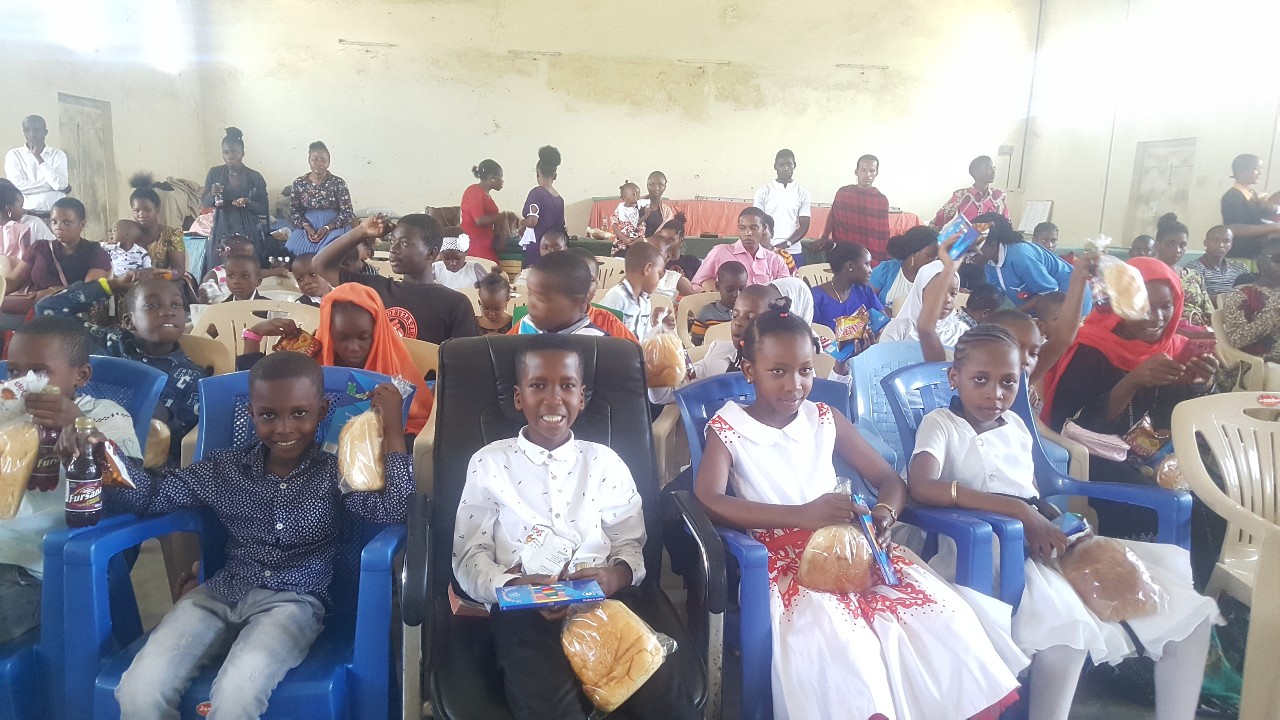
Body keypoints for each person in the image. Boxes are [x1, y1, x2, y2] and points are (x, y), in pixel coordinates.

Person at [693, 300, 1025, 719]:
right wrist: (800, 516)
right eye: (778, 371)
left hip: (856, 547)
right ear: (749, 370)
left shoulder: (823, 417)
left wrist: (884, 514)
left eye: (805, 370)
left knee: (942, 619)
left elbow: (890, 480)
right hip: (783, 564)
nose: (795, 385)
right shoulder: (729, 428)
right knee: (847, 645)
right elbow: (710, 499)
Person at [910, 324, 1217, 720]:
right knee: (1066, 636)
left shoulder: (1015, 426)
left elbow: (1030, 494)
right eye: (980, 380)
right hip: (987, 556)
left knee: (1190, 615)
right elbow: (922, 486)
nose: (995, 393)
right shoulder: (941, 424)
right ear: (955, 377)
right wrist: (1019, 512)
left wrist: (1062, 521)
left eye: (1008, 382)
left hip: (1041, 546)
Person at [95, 351, 413, 719]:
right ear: (252, 413)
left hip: (293, 603)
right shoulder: (225, 469)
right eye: (268, 415)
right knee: (140, 690)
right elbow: (151, 496)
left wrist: (393, 429)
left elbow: (394, 510)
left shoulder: (336, 472)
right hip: (218, 595)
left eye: (299, 413)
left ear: (322, 410)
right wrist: (101, 452)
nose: (284, 428)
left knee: (237, 696)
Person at [453, 335, 697, 719]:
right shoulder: (490, 464)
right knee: (547, 703)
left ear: (582, 398)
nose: (553, 399)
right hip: (523, 611)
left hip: (604, 601)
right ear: (518, 397)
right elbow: (469, 555)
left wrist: (615, 576)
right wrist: (511, 585)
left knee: (662, 697)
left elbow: (629, 544)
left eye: (567, 386)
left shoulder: (604, 462)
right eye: (538, 386)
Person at [1042, 257, 1220, 538]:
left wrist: (1203, 383)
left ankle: (1206, 569)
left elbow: (1197, 421)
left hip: (1163, 456)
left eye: (1166, 306)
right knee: (1165, 508)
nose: (1157, 317)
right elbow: (1071, 427)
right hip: (1101, 460)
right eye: (1144, 306)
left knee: (1220, 497)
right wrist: (1132, 381)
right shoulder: (1091, 349)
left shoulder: (1178, 348)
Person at [0, 316, 141, 643]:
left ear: (81, 375)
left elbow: (132, 481)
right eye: (14, 372)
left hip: (48, 568)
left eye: (39, 373)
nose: (23, 383)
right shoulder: (8, 417)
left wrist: (81, 427)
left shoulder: (104, 413)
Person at [36, 272, 208, 463]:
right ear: (128, 321)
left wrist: (165, 418)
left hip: (133, 466)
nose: (168, 311)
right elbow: (47, 309)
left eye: (176, 305)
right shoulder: (107, 342)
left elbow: (186, 448)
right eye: (152, 305)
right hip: (69, 445)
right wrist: (112, 285)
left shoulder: (191, 377)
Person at [239, 284, 433, 436]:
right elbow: (254, 394)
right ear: (329, 333)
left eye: (363, 337)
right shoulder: (310, 363)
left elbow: (419, 424)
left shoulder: (397, 369)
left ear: (378, 332)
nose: (353, 347)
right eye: (342, 338)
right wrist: (254, 336)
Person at [314, 214, 478, 343]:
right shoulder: (374, 289)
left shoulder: (455, 304)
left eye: (405, 243)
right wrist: (362, 231)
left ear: (431, 253)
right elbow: (321, 265)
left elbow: (462, 362)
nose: (393, 249)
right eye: (393, 241)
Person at [511, 251, 634, 339]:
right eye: (530, 293)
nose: (531, 303)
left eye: (541, 298)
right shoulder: (525, 326)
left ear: (575, 301)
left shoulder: (596, 341)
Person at [974, 213, 1081, 315]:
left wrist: (1013, 313)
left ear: (992, 247)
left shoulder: (1020, 257)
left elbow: (1049, 291)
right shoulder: (990, 263)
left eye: (973, 249)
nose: (968, 254)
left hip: (1069, 299)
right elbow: (997, 292)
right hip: (1044, 306)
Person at [7, 197, 111, 298]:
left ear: (82, 224)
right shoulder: (39, 247)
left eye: (67, 222)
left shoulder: (95, 252)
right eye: (54, 222)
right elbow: (13, 281)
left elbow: (88, 291)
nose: (59, 227)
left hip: (71, 308)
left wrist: (56, 292)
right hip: (32, 304)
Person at [201, 127, 269, 274]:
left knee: (248, 269)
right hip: (222, 227)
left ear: (242, 153)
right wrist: (212, 194)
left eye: (234, 152)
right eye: (226, 152)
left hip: (248, 230)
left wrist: (248, 203)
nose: (230, 156)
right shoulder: (214, 173)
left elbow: (264, 208)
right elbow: (205, 202)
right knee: (219, 269)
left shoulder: (254, 177)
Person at [879, 252, 966, 349]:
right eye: (939, 292)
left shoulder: (962, 333)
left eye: (953, 294)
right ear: (920, 293)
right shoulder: (898, 329)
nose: (948, 300)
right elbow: (882, 357)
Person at [691, 208, 791, 290]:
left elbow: (787, 291)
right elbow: (696, 284)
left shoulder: (775, 260)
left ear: (764, 228)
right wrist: (711, 298)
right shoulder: (720, 252)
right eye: (742, 228)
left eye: (753, 228)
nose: (748, 233)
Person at [811, 242, 885, 350]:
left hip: (865, 354)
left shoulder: (864, 291)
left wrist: (873, 338)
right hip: (829, 358)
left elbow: (882, 321)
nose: (871, 270)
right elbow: (813, 338)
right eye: (867, 264)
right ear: (850, 266)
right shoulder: (816, 298)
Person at [285, 141, 355, 256]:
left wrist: (328, 227)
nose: (319, 163)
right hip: (308, 227)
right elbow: (294, 212)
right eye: (315, 159)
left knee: (334, 251)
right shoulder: (299, 183)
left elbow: (347, 213)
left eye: (323, 160)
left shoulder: (338, 183)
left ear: (329, 162)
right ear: (309, 160)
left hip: (335, 227)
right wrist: (307, 227)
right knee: (291, 248)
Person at [818, 154, 890, 261]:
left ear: (876, 173)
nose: (868, 174)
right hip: (845, 251)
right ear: (856, 172)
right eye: (863, 170)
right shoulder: (844, 193)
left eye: (872, 171)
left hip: (870, 255)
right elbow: (833, 216)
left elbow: (883, 233)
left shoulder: (881, 200)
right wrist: (824, 237)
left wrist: (887, 256)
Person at [1219, 238, 1280, 362]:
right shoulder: (1241, 293)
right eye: (1277, 258)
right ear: (1260, 261)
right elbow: (1237, 339)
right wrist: (1274, 314)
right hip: (1263, 363)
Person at [1152, 213, 1213, 330]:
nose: (1177, 250)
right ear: (1157, 246)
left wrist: (1211, 331)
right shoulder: (1150, 276)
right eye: (1171, 244)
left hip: (1202, 333)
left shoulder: (1194, 276)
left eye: (1182, 245)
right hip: (1169, 333)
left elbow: (1210, 313)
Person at [599, 241, 669, 340]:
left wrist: (658, 324)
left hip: (637, 349)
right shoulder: (617, 297)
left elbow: (646, 338)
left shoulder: (645, 302)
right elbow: (599, 332)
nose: (659, 280)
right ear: (647, 268)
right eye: (659, 274)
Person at [4, 115, 68, 217]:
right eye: (27, 130)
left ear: (45, 132)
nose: (32, 134)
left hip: (56, 216)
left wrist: (38, 157)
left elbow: (60, 184)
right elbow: (17, 186)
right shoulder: (14, 155)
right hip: (28, 215)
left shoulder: (57, 154)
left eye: (36, 130)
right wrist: (51, 186)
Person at [754, 149, 811, 264]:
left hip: (793, 250)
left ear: (795, 165)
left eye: (789, 164)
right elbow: (757, 222)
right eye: (781, 165)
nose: (786, 168)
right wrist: (767, 246)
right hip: (768, 249)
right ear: (775, 166)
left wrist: (786, 244)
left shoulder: (802, 193)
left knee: (795, 277)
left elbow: (804, 226)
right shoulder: (763, 191)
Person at [868, 226, 942, 315]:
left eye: (937, 257)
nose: (934, 262)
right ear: (912, 253)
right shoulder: (886, 270)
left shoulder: (935, 280)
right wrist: (880, 309)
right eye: (929, 256)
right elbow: (864, 297)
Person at [1220, 153, 1280, 258]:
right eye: (1256, 169)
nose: (1260, 173)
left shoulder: (1251, 193)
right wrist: (1273, 227)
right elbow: (1235, 228)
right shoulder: (1233, 196)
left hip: (1256, 251)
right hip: (1241, 253)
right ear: (1241, 171)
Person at [129, 174, 187, 274]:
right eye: (136, 210)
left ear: (157, 210)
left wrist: (157, 275)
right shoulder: (126, 233)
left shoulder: (172, 235)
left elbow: (178, 270)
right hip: (130, 281)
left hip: (162, 281)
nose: (141, 215)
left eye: (147, 210)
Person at [930, 156, 1009, 229]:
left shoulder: (998, 196)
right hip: (966, 238)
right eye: (988, 168)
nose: (993, 172)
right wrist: (930, 237)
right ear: (975, 172)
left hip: (991, 239)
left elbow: (1006, 223)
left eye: (994, 168)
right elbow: (938, 220)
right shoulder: (961, 195)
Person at [519, 146, 566, 267]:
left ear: (537, 173)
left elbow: (532, 221)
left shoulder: (537, 193)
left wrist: (521, 223)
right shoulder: (559, 199)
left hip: (539, 247)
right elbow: (561, 226)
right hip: (555, 250)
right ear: (555, 176)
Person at [691, 261, 746, 346]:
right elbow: (695, 345)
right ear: (717, 287)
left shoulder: (749, 314)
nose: (736, 294)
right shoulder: (707, 314)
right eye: (730, 290)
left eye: (742, 289)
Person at [461, 159, 505, 263]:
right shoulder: (474, 190)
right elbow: (479, 220)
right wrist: (503, 215)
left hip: (485, 242)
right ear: (492, 178)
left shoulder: (486, 195)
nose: (502, 181)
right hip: (474, 244)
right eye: (501, 177)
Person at [648, 214, 701, 294]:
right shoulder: (657, 263)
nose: (666, 243)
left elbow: (699, 289)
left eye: (671, 240)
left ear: (681, 240)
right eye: (663, 238)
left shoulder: (692, 261)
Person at [1187, 225, 1247, 296]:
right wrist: (1225, 298)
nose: (1221, 245)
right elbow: (1194, 298)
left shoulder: (1240, 268)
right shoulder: (1194, 268)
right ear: (1205, 243)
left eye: (1226, 241)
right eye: (1215, 240)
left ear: (1231, 245)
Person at [199, 234, 257, 303]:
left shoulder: (250, 270)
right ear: (227, 255)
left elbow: (261, 274)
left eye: (249, 257)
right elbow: (205, 297)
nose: (247, 261)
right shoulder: (214, 274)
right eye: (242, 258)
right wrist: (206, 295)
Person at [637, 170, 678, 239]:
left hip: (659, 245)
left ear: (664, 187)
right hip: (637, 244)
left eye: (660, 185)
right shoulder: (636, 206)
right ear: (647, 186)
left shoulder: (667, 212)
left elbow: (669, 235)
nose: (656, 189)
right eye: (652, 185)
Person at [609, 181, 642, 255]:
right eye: (634, 194)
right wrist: (625, 239)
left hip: (638, 244)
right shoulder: (620, 209)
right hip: (623, 244)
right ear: (625, 197)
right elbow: (614, 225)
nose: (638, 196)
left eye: (639, 193)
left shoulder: (638, 208)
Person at [476, 269, 513, 335]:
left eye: (497, 309)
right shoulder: (474, 323)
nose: (491, 313)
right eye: (486, 308)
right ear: (480, 302)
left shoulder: (514, 323)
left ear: (507, 301)